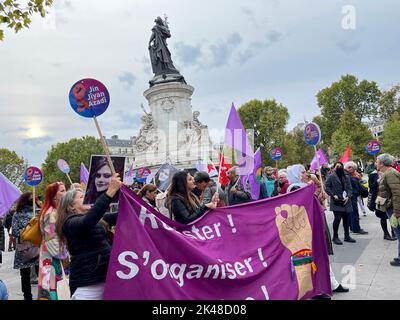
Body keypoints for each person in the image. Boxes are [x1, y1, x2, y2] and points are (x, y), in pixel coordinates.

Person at [55, 174, 122, 299]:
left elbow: (120, 216)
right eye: (82, 197)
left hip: (106, 277)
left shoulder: (98, 218)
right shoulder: (69, 223)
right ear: (71, 206)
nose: (87, 198)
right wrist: (110, 192)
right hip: (87, 283)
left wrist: (126, 195)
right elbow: (88, 221)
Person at [37, 182, 68, 300]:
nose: (65, 193)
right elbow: (51, 239)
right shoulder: (51, 214)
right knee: (52, 286)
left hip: (55, 254)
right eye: (62, 191)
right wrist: (64, 255)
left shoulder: (56, 211)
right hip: (53, 256)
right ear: (54, 195)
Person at [11, 191, 39, 300]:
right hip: (24, 249)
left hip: (37, 247)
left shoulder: (37, 212)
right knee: (25, 275)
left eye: (34, 198)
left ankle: (43, 296)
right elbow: (15, 232)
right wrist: (28, 232)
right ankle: (27, 296)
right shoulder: (17, 215)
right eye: (31, 198)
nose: (33, 200)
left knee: (42, 273)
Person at [376, 154, 400, 267]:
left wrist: (397, 212)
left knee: (399, 233)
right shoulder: (388, 173)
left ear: (381, 163)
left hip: (394, 209)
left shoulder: (390, 173)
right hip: (391, 207)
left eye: (377, 161)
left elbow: (397, 193)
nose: (376, 163)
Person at [325, 162, 356, 245]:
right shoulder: (331, 176)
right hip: (336, 201)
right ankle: (335, 237)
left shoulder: (346, 177)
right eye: (337, 166)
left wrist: (348, 196)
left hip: (346, 201)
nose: (339, 167)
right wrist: (332, 195)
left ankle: (347, 236)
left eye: (341, 166)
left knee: (346, 219)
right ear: (334, 168)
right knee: (337, 218)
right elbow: (326, 187)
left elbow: (349, 188)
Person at [368, 164, 397, 241]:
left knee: (392, 217)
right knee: (383, 217)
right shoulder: (373, 175)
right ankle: (386, 234)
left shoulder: (388, 173)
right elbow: (371, 187)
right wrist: (377, 181)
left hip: (389, 198)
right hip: (379, 199)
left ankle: (394, 232)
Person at [344, 162, 368, 235]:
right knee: (354, 212)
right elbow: (352, 183)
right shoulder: (346, 174)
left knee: (352, 212)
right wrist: (357, 178)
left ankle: (353, 227)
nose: (355, 171)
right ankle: (356, 229)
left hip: (351, 195)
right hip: (351, 195)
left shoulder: (347, 173)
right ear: (350, 167)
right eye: (354, 169)